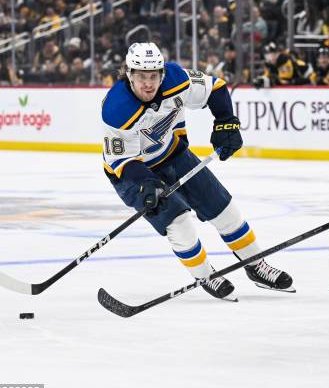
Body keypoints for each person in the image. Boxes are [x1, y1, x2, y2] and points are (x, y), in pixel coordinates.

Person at [102, 42, 294, 300]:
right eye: (140, 77)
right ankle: (206, 275)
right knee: (178, 221)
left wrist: (226, 122)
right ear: (129, 74)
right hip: (133, 173)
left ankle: (256, 264)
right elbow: (123, 161)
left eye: (153, 76)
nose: (148, 83)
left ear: (161, 74)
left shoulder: (175, 78)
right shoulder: (116, 109)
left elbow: (215, 88)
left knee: (223, 208)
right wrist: (147, 185)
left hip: (174, 154)